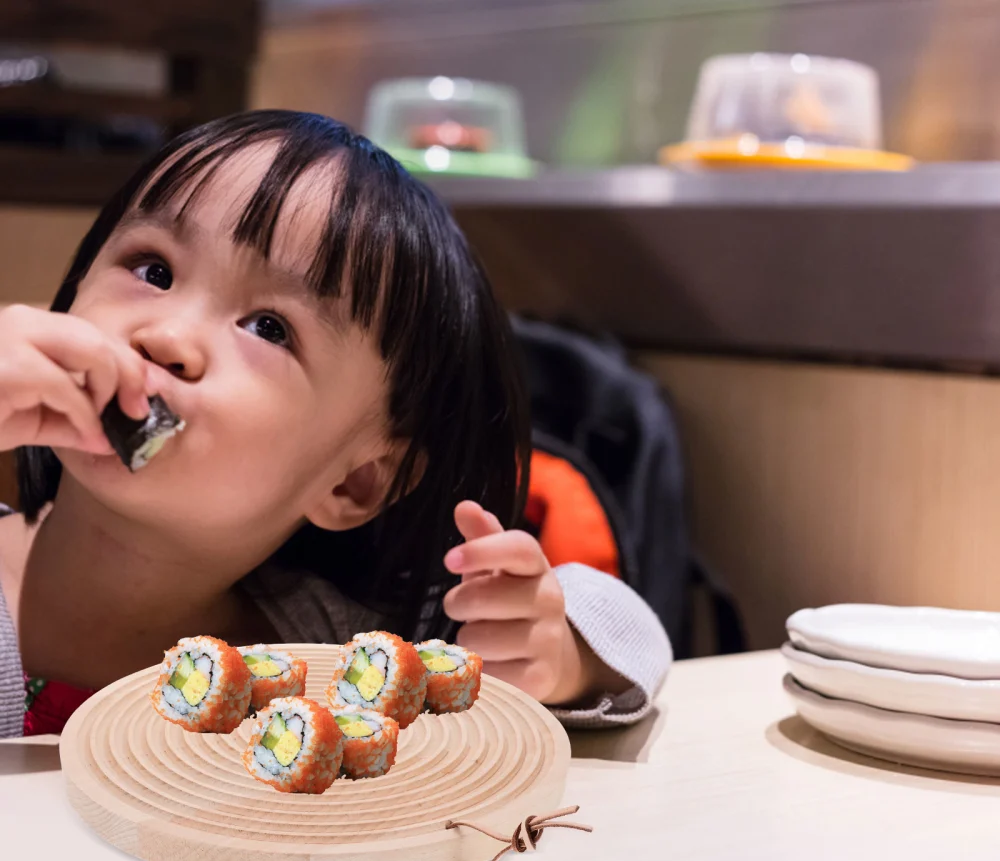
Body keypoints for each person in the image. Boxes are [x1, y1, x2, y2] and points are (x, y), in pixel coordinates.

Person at [0, 110, 670, 739]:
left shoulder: (332, 659)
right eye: (154, 270)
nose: (167, 335)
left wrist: (559, 652)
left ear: (353, 483)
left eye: (269, 327)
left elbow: (637, 639)